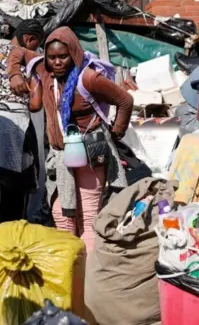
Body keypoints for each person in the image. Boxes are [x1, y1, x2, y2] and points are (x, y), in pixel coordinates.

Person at [8, 26, 134, 251]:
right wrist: (15, 73)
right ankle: (72, 272)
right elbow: (16, 52)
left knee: (87, 214)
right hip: (61, 154)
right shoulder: (45, 72)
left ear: (74, 53)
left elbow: (125, 101)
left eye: (63, 56)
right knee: (61, 213)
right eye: (52, 57)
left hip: (90, 154)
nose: (57, 62)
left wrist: (116, 133)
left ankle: (86, 278)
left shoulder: (88, 78)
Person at [0, 19, 44, 221]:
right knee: (17, 192)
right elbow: (36, 104)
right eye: (37, 43)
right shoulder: (29, 59)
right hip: (18, 127)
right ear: (29, 38)